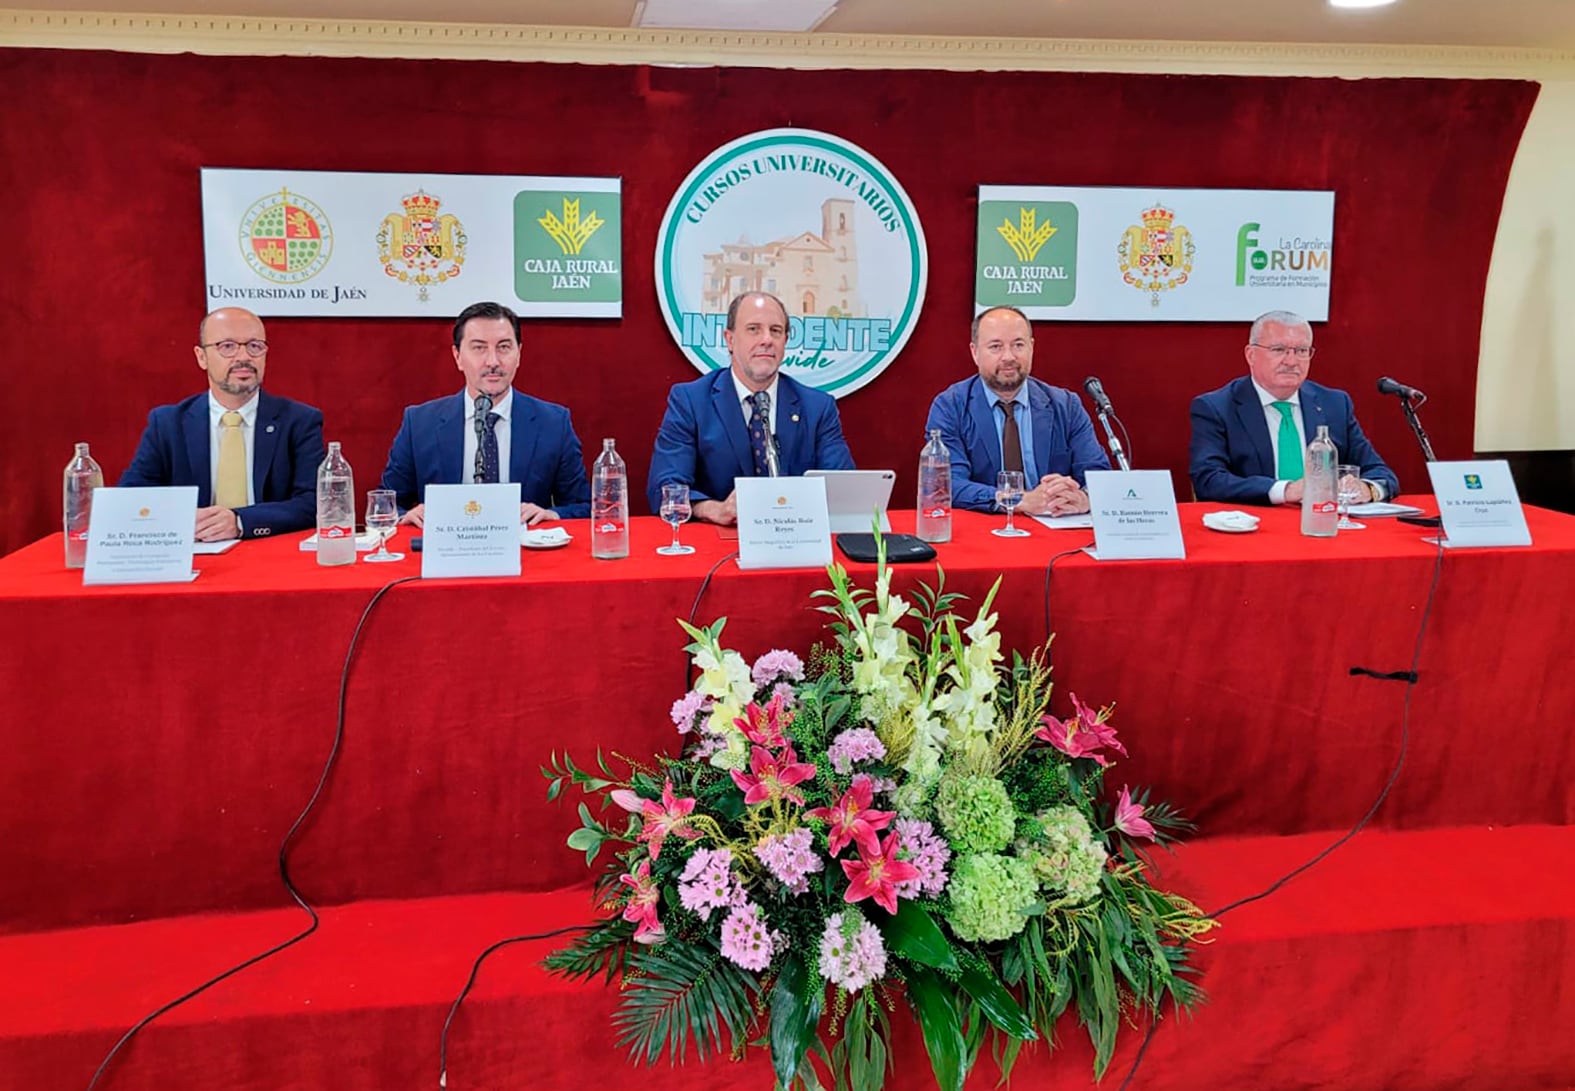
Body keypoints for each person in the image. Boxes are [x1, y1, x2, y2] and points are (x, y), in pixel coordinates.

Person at [647, 291, 855, 525]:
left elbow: (843, 491)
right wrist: (714, 509)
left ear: (785, 341)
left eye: (775, 331)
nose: (766, 339)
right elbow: (664, 489)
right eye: (754, 329)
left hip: (797, 540)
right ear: (730, 339)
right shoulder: (691, 401)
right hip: (719, 544)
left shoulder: (818, 407)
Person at [119, 306, 323, 541]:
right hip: (195, 555)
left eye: (254, 346)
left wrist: (239, 521)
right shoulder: (167, 423)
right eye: (227, 346)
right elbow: (131, 499)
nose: (244, 357)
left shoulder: (299, 421)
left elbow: (314, 503)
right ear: (201, 357)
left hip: (268, 553)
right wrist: (183, 519)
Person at [381, 302, 590, 526]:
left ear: (518, 354)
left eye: (503, 347)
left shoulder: (554, 423)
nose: (492, 361)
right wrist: (404, 516)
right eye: (479, 348)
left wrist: (552, 515)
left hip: (526, 553)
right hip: (445, 554)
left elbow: (583, 506)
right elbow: (385, 504)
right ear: (458, 356)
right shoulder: (419, 423)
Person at [1189, 310, 1398, 506]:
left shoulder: (1334, 404)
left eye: (1301, 351)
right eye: (1278, 350)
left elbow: (1381, 473)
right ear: (1251, 355)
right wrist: (1286, 491)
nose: (1291, 361)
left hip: (1324, 525)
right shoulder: (1216, 407)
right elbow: (1208, 480)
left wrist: (1367, 488)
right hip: (1254, 529)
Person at [923, 305, 1109, 516]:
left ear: (1031, 348)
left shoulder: (1066, 405)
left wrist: (1083, 498)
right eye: (995, 346)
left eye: (1018, 345)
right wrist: (1019, 500)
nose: (1008, 356)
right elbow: (947, 485)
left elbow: (1098, 475)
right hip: (986, 530)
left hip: (1054, 527)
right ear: (975, 352)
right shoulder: (951, 406)